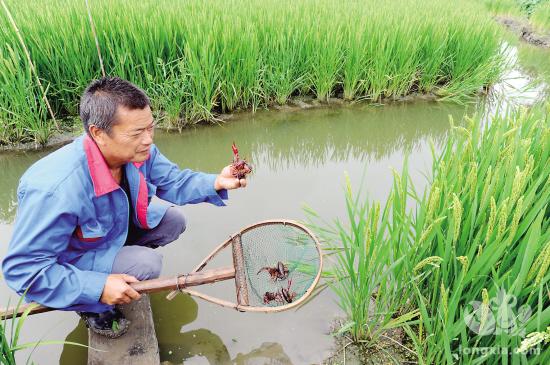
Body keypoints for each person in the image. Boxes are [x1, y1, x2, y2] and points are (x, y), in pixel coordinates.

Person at [1, 77, 249, 338]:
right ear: (98, 133)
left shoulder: (139, 150)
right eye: (137, 133)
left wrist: (217, 181)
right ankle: (94, 307)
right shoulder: (55, 190)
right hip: (69, 257)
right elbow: (23, 271)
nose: (148, 141)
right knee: (146, 264)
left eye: (151, 129)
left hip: (108, 231)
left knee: (174, 221)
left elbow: (174, 180)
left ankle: (119, 268)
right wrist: (96, 287)